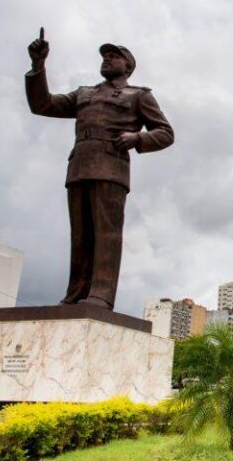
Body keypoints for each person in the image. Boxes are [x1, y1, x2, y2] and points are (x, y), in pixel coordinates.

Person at [25, 28, 174, 310]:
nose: (107, 59)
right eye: (105, 56)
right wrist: (38, 65)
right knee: (80, 234)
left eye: (114, 56)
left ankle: (101, 294)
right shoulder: (84, 94)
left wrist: (137, 138)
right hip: (80, 165)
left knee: (106, 233)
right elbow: (42, 104)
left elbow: (165, 133)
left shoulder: (138, 96)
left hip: (111, 166)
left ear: (127, 65)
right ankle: (76, 293)